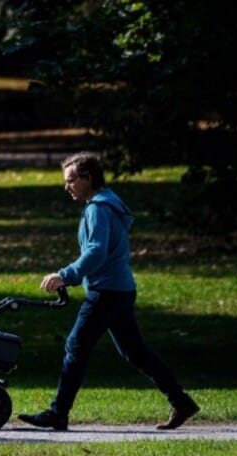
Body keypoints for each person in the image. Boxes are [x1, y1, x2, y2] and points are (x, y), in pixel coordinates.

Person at [18, 152, 200, 431]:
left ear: (87, 178)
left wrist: (65, 275)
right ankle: (181, 402)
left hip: (107, 291)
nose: (67, 187)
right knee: (135, 352)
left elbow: (96, 251)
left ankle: (58, 413)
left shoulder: (98, 209)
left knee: (75, 346)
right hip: (120, 289)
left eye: (71, 180)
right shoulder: (107, 203)